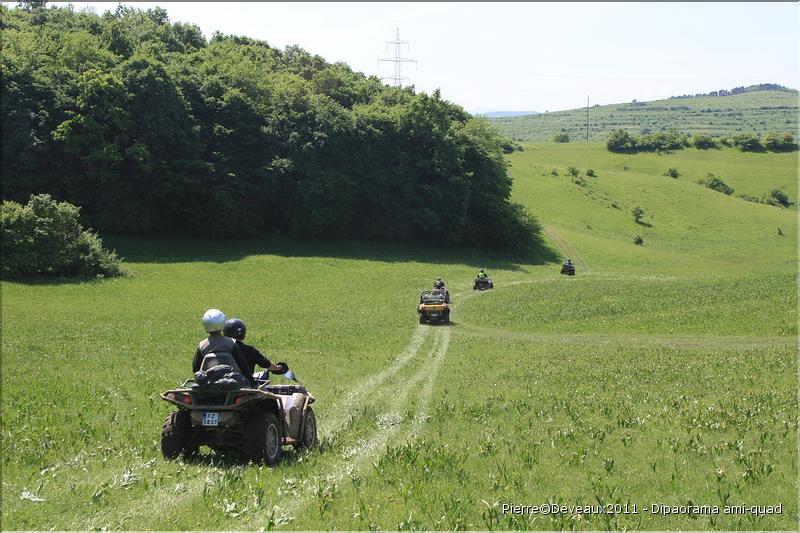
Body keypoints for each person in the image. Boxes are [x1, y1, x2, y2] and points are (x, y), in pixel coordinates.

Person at [192, 308, 251, 384]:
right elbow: (242, 365)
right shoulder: (231, 342)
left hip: (207, 383)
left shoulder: (202, 345)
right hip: (232, 383)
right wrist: (253, 383)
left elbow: (196, 368)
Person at [223, 317, 288, 382]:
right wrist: (279, 368)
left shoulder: (219, 348)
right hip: (245, 385)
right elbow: (267, 364)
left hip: (221, 384)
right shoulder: (250, 350)